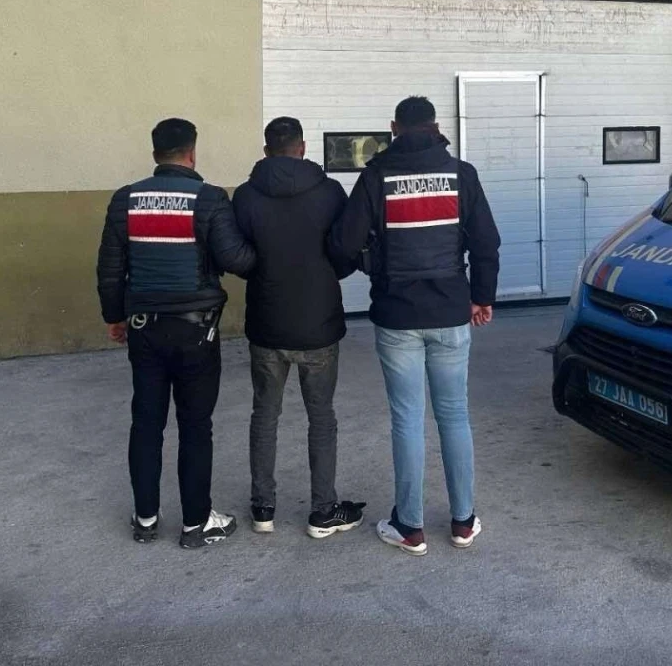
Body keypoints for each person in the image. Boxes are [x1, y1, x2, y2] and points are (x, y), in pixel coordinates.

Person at [331, 96, 500, 555]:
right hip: (450, 313)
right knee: (455, 415)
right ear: (436, 126)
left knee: (407, 420)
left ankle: (409, 526)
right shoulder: (461, 174)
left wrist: (370, 263)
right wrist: (482, 296)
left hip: (397, 315)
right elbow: (486, 242)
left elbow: (345, 243)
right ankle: (463, 522)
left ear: (394, 128)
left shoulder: (376, 177)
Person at [96, 118, 256, 549]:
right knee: (195, 426)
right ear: (192, 153)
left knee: (146, 423)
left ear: (155, 155)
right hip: (196, 332)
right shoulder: (209, 199)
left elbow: (110, 268)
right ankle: (195, 524)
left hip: (144, 330)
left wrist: (115, 316)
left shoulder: (125, 200)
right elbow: (237, 259)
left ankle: (146, 519)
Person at [232, 117, 366, 540]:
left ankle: (263, 508)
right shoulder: (330, 192)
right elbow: (346, 250)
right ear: (303, 147)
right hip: (318, 323)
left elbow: (237, 254)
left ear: (266, 149)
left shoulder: (246, 195)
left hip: (267, 322)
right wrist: (328, 274)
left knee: (264, 415)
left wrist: (263, 271)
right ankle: (323, 510)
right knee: (321, 418)